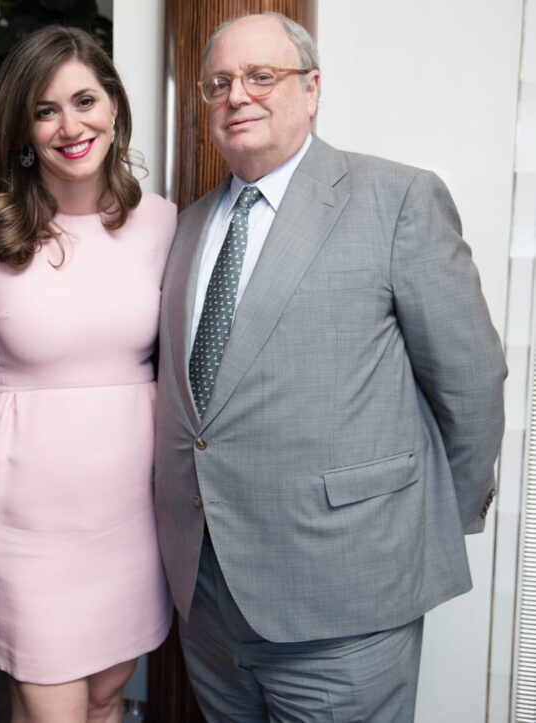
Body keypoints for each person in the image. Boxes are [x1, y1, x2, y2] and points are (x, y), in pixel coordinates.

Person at [154, 12, 507, 722]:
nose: (237, 96)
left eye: (262, 76)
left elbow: (469, 382)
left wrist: (419, 522)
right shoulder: (188, 226)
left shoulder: (396, 199)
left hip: (346, 596)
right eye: (218, 82)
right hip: (210, 602)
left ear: (311, 89)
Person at [0, 25, 175, 723]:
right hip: (26, 520)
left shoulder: (167, 225)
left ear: (113, 105)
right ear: (23, 127)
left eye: (84, 100)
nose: (70, 125)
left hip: (131, 512)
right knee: (52, 704)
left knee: (107, 697)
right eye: (45, 109)